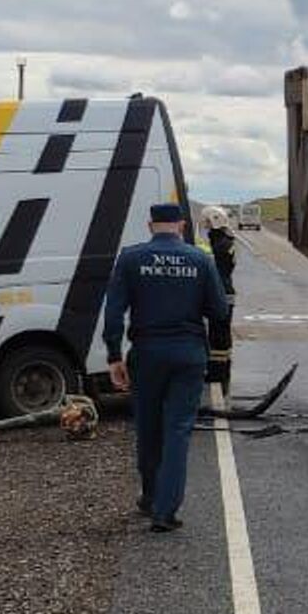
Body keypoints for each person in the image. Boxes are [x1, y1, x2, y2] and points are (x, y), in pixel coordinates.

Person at [102, 202, 231, 533]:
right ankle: (166, 510)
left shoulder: (130, 258)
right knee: (177, 429)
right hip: (188, 353)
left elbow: (114, 310)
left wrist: (114, 355)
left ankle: (148, 496)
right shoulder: (200, 259)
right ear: (182, 226)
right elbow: (218, 310)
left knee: (148, 425)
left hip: (146, 352)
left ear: (150, 226)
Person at [200, 205, 239, 389]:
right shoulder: (226, 240)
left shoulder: (219, 243)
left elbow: (215, 270)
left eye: (207, 222)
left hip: (221, 292)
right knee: (221, 333)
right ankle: (222, 370)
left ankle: (218, 373)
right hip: (226, 291)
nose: (206, 226)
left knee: (218, 335)